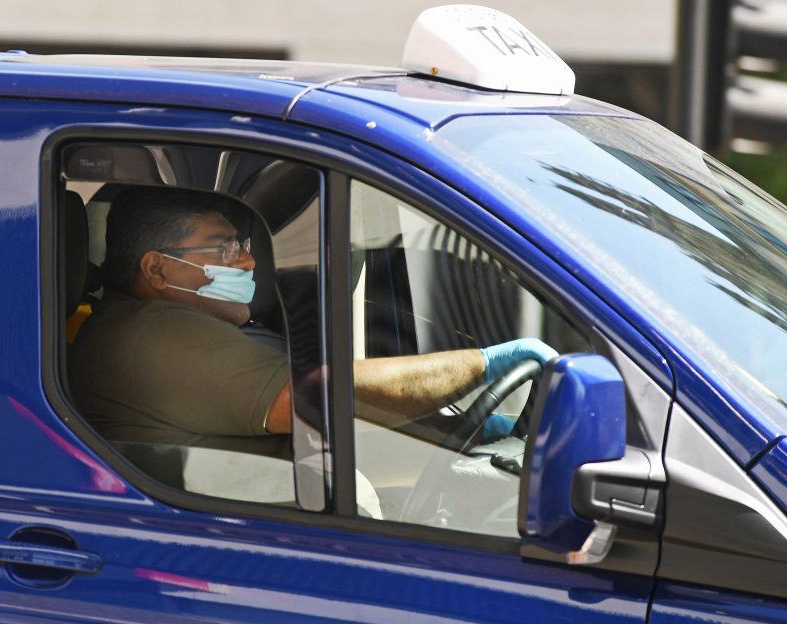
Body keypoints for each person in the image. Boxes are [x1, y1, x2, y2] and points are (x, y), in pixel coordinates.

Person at [68, 186, 556, 460]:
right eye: (225, 249)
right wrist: (485, 364)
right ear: (156, 268)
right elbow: (317, 396)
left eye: (245, 248)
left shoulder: (145, 326)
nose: (247, 264)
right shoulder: (153, 333)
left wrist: (469, 430)